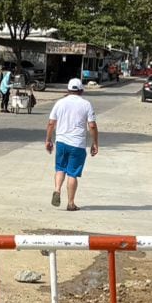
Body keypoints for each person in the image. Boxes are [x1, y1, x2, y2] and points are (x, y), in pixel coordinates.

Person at [45, 77, 99, 212]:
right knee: (72, 174)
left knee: (60, 169)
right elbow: (92, 126)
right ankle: (70, 203)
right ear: (81, 91)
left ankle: (57, 190)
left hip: (61, 142)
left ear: (68, 90)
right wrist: (95, 143)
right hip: (77, 144)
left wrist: (48, 140)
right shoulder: (86, 104)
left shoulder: (59, 103)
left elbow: (51, 123)